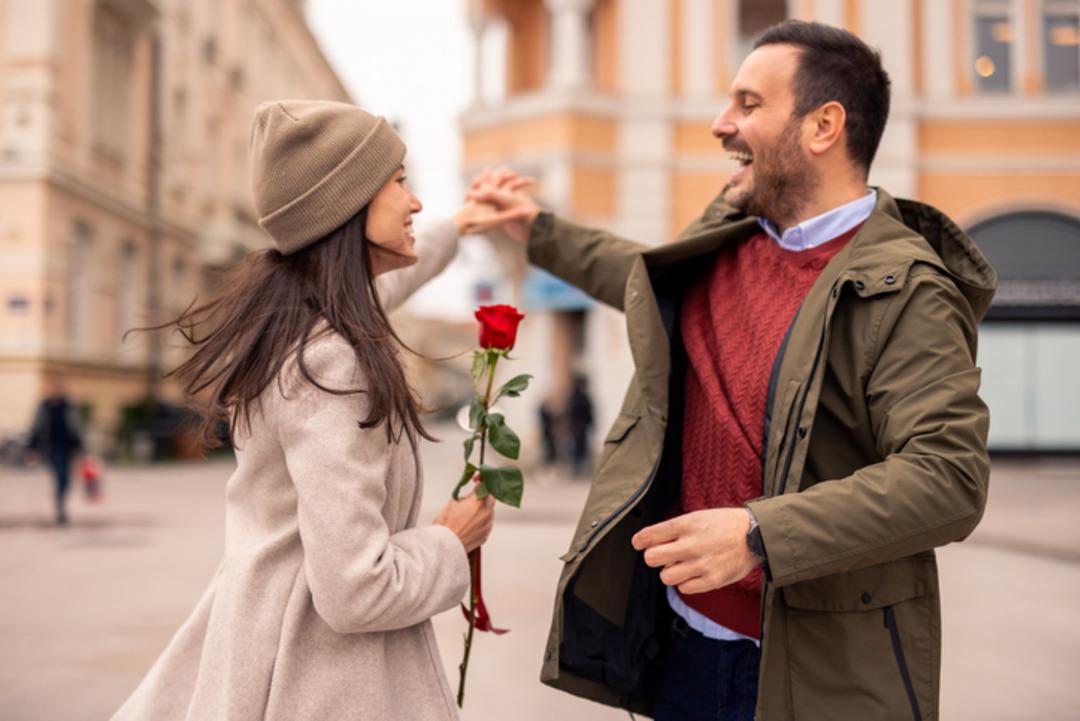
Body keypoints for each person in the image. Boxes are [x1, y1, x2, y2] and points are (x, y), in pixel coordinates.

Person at [470, 20, 996, 721]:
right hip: (683, 650)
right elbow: (639, 273)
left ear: (823, 126)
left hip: (805, 673)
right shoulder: (729, 235)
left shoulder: (907, 289)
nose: (722, 124)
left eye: (748, 104)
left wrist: (758, 534)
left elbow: (948, 478)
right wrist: (537, 229)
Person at [111, 100, 528, 721]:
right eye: (400, 182)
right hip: (312, 679)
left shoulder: (301, 321)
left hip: (271, 649)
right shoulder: (332, 362)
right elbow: (356, 590)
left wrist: (462, 225)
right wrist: (449, 540)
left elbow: (390, 285)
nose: (415, 203)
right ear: (348, 207)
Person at [28, 375, 84, 525]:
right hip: (51, 448)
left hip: (67, 448)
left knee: (67, 480)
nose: (53, 391)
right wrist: (32, 447)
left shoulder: (68, 406)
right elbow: (36, 427)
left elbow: (76, 427)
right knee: (59, 476)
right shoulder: (44, 407)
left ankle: (60, 503)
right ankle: (60, 509)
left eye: (55, 388)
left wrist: (80, 447)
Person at [566, 374, 594, 477]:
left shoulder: (576, 397)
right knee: (578, 449)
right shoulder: (579, 397)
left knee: (580, 448)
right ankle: (577, 468)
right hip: (578, 428)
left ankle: (579, 468)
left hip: (579, 428)